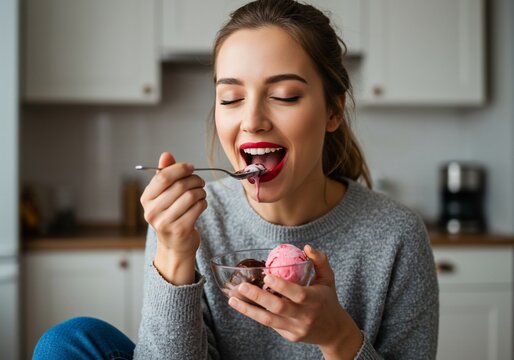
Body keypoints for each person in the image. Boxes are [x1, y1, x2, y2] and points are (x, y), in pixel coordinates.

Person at [33, 0, 439, 359]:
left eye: (284, 95)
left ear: (333, 110)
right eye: (230, 99)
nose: (252, 120)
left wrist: (338, 338)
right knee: (68, 342)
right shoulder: (191, 223)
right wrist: (173, 255)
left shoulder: (396, 236)